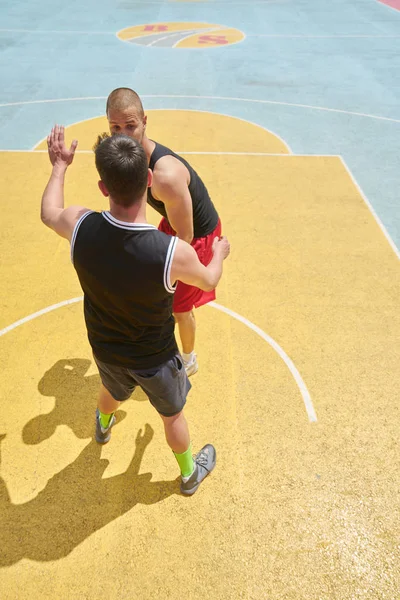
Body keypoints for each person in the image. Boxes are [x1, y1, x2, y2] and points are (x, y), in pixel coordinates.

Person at [40, 125, 230, 496]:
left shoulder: (80, 225)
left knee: (111, 388)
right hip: (154, 359)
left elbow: (49, 213)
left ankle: (103, 425)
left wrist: (60, 167)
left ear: (103, 187)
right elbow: (208, 280)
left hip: (106, 349)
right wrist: (219, 255)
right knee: (172, 415)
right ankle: (189, 474)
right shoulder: (170, 252)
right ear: (148, 180)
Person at [106, 88, 222, 377]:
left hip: (196, 235)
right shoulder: (130, 158)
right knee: (158, 291)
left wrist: (159, 265)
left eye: (130, 126)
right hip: (174, 222)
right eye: (115, 127)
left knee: (179, 307)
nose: (123, 134)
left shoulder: (164, 176)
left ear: (145, 121)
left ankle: (189, 358)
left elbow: (185, 235)